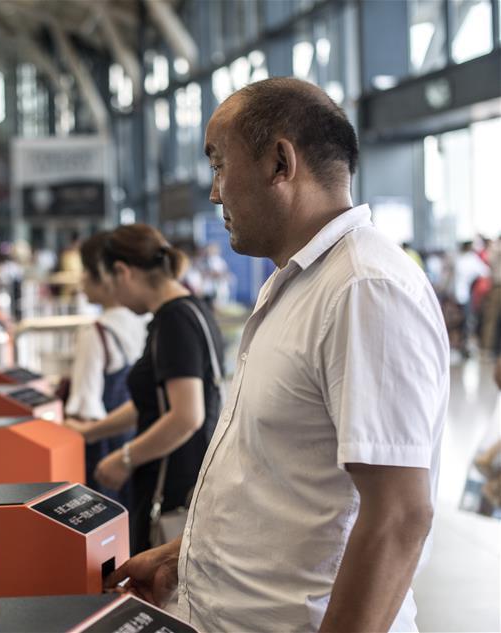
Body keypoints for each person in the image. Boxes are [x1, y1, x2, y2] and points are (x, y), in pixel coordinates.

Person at [107, 77, 449, 632]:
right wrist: (184, 558)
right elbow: (280, 475)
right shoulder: (295, 283)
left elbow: (399, 515)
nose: (215, 192)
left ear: (279, 163)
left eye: (219, 164)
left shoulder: (364, 289)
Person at [66, 224, 225, 555]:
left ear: (122, 272)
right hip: (181, 481)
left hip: (171, 489)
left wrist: (125, 458)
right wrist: (93, 431)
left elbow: (186, 416)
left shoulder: (174, 320)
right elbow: (153, 400)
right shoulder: (187, 310)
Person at [64, 232, 147, 503]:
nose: (81, 280)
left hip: (105, 456)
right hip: (141, 448)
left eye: (85, 270)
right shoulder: (148, 320)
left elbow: (84, 407)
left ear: (105, 274)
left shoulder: (96, 332)